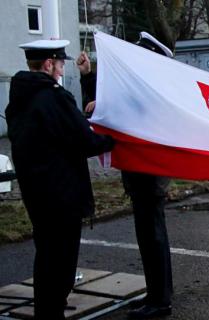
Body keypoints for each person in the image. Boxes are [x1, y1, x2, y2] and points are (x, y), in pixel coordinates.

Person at [5, 39, 115, 319]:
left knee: (46, 256)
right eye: (60, 63)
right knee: (62, 262)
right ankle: (52, 311)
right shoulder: (53, 96)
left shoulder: (20, 95)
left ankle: (46, 309)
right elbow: (84, 139)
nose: (61, 68)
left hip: (36, 191)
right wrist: (114, 139)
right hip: (61, 194)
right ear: (48, 64)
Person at [77, 32, 174, 319]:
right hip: (142, 175)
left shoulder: (151, 91)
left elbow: (122, 113)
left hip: (149, 175)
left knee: (153, 237)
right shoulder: (144, 87)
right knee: (149, 237)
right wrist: (88, 77)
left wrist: (102, 105)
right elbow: (108, 107)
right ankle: (157, 293)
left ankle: (160, 300)